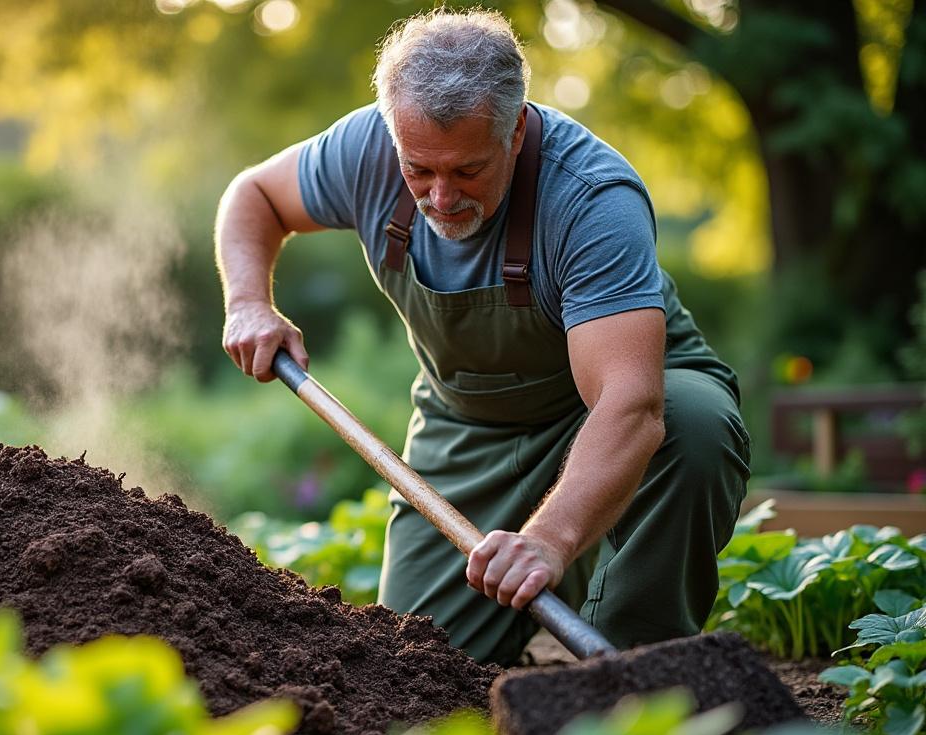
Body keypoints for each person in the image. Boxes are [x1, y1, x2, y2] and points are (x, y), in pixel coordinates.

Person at [215, 7, 749, 665]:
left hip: (607, 413)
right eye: (421, 171)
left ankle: (635, 673)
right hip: (467, 432)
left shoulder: (591, 199)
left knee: (692, 423)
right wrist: (247, 302)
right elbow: (254, 196)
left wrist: (551, 538)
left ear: (516, 130)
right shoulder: (365, 150)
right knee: (415, 673)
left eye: (467, 170)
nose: (441, 197)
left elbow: (631, 407)